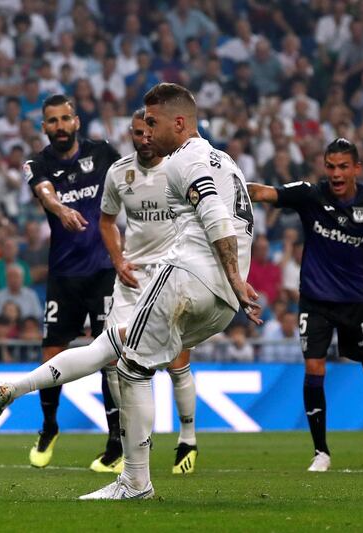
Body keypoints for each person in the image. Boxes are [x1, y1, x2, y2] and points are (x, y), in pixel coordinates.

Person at [0, 83, 260, 500]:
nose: (148, 131)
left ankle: (134, 481)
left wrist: (235, 275)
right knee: (110, 347)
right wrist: (234, 283)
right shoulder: (226, 162)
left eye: (154, 122)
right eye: (143, 124)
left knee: (129, 368)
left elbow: (214, 214)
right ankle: (13, 390)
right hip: (219, 301)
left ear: (178, 122)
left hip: (187, 277)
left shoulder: (182, 160)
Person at [247, 138, 363, 473]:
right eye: (331, 166)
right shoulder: (311, 194)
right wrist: (221, 180)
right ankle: (321, 452)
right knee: (314, 369)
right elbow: (262, 192)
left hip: (357, 301)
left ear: (356, 168)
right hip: (316, 301)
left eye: (343, 167)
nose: (336, 174)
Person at [21, 93, 121, 471]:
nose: (60, 127)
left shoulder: (104, 153)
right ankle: (49, 426)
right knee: (51, 355)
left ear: (76, 121)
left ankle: (115, 440)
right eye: (52, 121)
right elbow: (44, 191)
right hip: (63, 275)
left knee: (110, 356)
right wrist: (61, 208)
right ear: (44, 126)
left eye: (65, 119)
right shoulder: (38, 164)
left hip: (103, 271)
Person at [98, 108, 198, 475]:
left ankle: (187, 437)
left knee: (176, 361)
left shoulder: (180, 168)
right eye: (137, 133)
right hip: (132, 277)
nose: (143, 139)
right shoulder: (118, 173)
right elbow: (107, 221)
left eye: (148, 132)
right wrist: (118, 259)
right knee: (112, 358)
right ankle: (132, 442)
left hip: (172, 274)